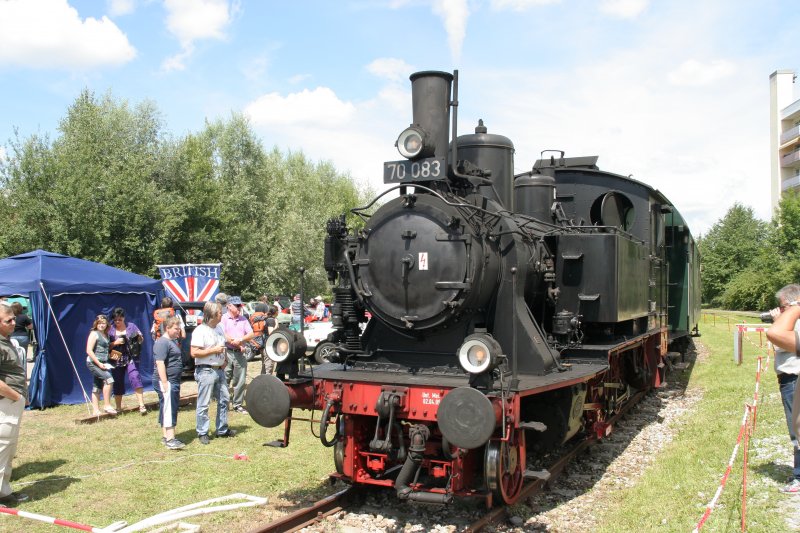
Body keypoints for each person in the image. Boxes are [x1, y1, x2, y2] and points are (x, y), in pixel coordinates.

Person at [766, 284, 800, 493]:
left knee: (796, 430)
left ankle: (799, 477)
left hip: (793, 378)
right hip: (791, 378)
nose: (780, 310)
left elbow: (779, 341)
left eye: (783, 307)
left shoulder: (795, 321)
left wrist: (778, 320)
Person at [191, 300, 236, 445]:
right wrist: (213, 351)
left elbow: (223, 345)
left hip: (219, 370)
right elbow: (194, 352)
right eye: (219, 313)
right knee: (204, 403)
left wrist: (224, 360)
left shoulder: (219, 328)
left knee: (224, 399)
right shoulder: (200, 330)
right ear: (212, 314)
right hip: (205, 370)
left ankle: (222, 429)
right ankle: (202, 432)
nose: (222, 314)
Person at [0, 302, 28, 505]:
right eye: (8, 320)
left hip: (11, 402)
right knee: (2, 448)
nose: (13, 323)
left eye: (13, 319)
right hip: (5, 402)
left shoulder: (6, 340)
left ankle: (4, 491)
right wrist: (15, 396)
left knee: (9, 448)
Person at [153, 316, 185, 450]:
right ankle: (171, 439)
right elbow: (160, 362)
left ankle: (166, 436)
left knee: (166, 406)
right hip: (167, 381)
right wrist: (165, 382)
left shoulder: (172, 341)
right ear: (167, 328)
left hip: (172, 380)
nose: (179, 331)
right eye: (176, 329)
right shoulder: (162, 342)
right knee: (169, 408)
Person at [108, 307, 147, 415]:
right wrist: (115, 342)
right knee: (117, 381)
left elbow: (141, 339)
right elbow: (106, 346)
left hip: (130, 356)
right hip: (116, 356)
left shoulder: (131, 326)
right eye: (115, 320)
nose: (117, 322)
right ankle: (118, 408)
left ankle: (141, 405)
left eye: (119, 319)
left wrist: (138, 338)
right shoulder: (110, 329)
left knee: (135, 377)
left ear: (124, 318)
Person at [221, 296, 254, 415]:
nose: (240, 307)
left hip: (240, 353)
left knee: (240, 380)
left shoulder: (243, 319)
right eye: (237, 305)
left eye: (240, 305)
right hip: (227, 352)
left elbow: (251, 334)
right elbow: (222, 333)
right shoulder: (223, 318)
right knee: (224, 378)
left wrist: (240, 340)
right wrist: (232, 341)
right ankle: (224, 403)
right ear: (229, 306)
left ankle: (237, 404)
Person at [85, 314, 116, 416]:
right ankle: (107, 405)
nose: (101, 325)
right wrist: (98, 363)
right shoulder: (94, 334)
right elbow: (89, 351)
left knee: (97, 386)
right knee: (109, 379)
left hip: (104, 363)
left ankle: (96, 410)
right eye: (99, 323)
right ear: (96, 324)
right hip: (93, 363)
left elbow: (106, 348)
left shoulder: (106, 335)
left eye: (103, 323)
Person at [9, 302, 32, 373]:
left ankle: (15, 373)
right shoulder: (24, 316)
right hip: (23, 337)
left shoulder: (10, 317)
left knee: (13, 357)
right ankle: (23, 374)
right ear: (20, 308)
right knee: (23, 356)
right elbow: (30, 326)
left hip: (12, 337)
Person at [261, 306, 279, 376]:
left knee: (265, 364)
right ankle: (267, 379)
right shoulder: (271, 320)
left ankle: (263, 379)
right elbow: (271, 332)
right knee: (269, 365)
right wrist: (276, 323)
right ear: (276, 312)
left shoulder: (267, 319)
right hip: (269, 345)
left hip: (266, 344)